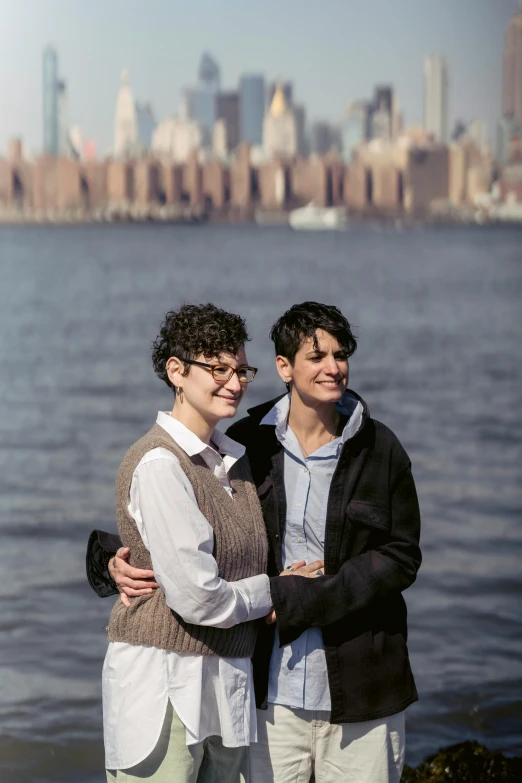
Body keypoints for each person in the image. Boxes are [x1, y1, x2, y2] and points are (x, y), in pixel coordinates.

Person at [88, 301, 422, 783]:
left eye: (341, 353)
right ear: (285, 367)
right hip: (265, 692)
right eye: (316, 355)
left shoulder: (380, 448)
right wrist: (109, 562)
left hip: (361, 686)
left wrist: (300, 598)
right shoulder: (248, 445)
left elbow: (402, 556)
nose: (333, 367)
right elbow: (174, 521)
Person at [98, 302, 322, 783]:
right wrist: (278, 591)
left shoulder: (233, 463)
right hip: (166, 689)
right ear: (176, 372)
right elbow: (198, 596)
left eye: (241, 369)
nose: (235, 382)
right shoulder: (160, 464)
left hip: (228, 688)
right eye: (217, 368)